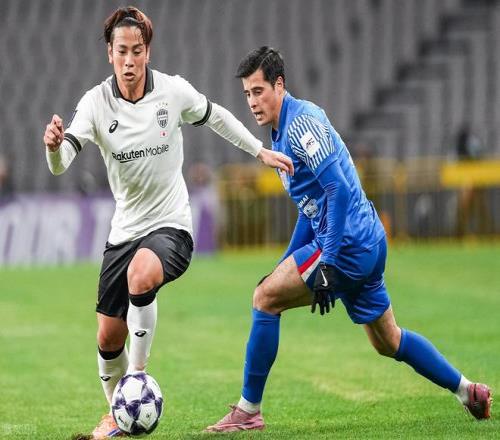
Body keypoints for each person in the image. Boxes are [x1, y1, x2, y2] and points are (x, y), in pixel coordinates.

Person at [205, 47, 492, 433]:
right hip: (367, 240)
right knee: (388, 341)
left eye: (259, 91)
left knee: (265, 298)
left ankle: (248, 411)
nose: (252, 102)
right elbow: (312, 208)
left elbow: (338, 190)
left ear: (279, 85)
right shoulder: (283, 130)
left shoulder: (300, 126)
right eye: (247, 94)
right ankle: (467, 390)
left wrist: (326, 261)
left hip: (346, 245)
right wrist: (286, 262)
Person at [43, 11, 293, 439]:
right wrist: (52, 148)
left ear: (147, 52)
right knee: (108, 337)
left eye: (137, 51)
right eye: (122, 51)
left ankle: (137, 377)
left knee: (142, 273)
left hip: (171, 225)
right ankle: (119, 416)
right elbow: (62, 161)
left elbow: (216, 116)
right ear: (109, 54)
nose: (129, 61)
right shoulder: (95, 103)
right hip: (124, 230)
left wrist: (259, 150)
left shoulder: (172, 92)